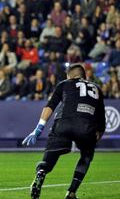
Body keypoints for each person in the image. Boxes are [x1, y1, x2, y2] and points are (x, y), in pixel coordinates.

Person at [22, 64, 105, 199]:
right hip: (86, 126)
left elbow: (51, 106)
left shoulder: (64, 84)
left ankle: (41, 172)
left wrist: (38, 129)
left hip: (63, 123)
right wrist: (98, 132)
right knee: (86, 157)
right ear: (85, 76)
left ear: (70, 76)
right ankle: (71, 192)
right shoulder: (97, 89)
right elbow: (101, 116)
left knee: (50, 157)